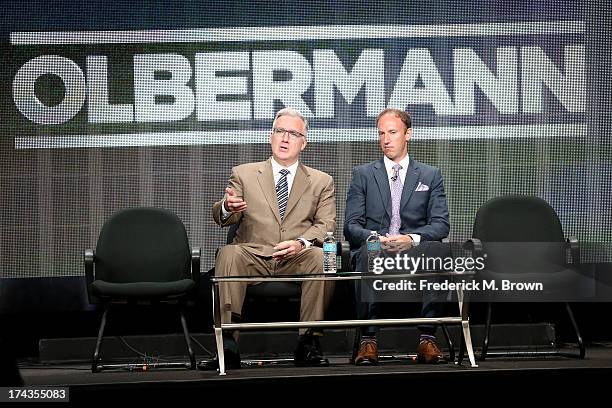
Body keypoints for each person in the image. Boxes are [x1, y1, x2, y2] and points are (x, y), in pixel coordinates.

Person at [210, 107, 336, 369]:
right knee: (229, 254)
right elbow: (224, 216)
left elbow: (326, 225)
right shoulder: (244, 173)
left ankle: (308, 343)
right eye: (280, 131)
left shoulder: (321, 181)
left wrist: (300, 242)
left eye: (293, 133)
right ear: (271, 136)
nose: (285, 138)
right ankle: (228, 345)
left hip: (296, 256)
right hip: (253, 254)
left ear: (304, 142)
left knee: (322, 257)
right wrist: (226, 207)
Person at [344, 108, 450, 365]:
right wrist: (375, 237)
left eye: (392, 132)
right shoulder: (363, 174)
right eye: (381, 133)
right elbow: (351, 226)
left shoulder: (429, 175)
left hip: (412, 249)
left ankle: (427, 338)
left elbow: (441, 225)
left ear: (408, 134)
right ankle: (368, 341)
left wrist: (411, 238)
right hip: (376, 247)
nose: (386, 139)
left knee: (438, 250)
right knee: (367, 252)